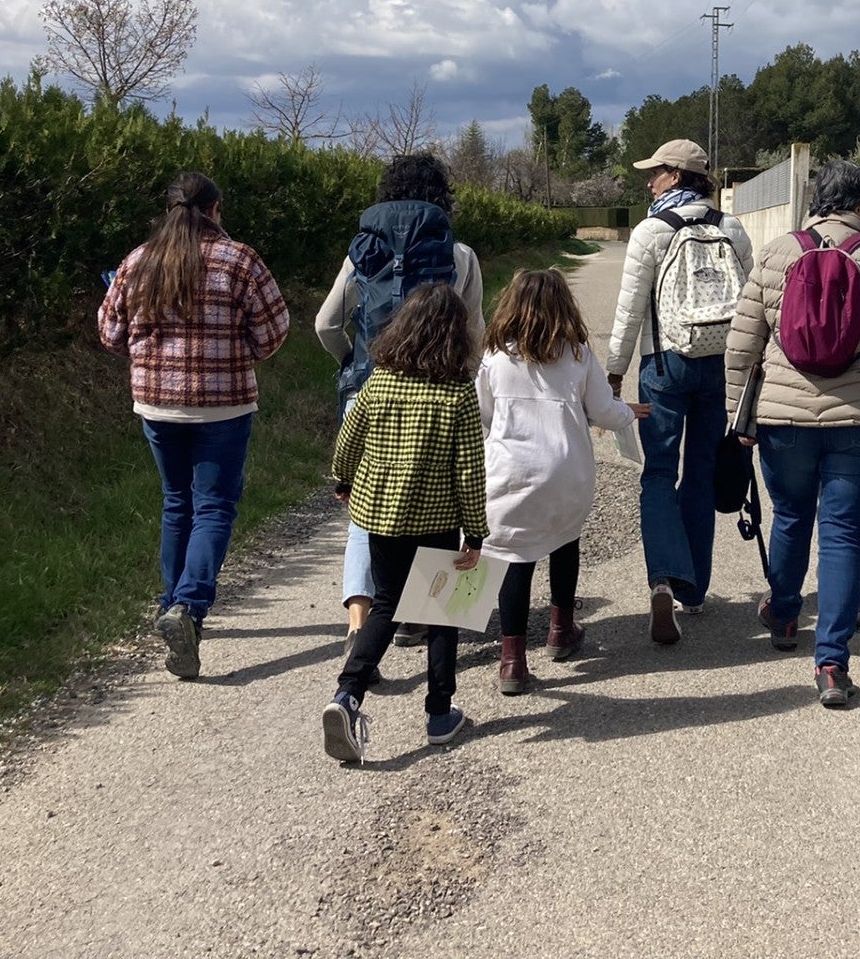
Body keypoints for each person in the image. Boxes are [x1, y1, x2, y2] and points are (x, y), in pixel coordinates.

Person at [724, 160, 860, 708]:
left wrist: (737, 416)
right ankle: (831, 662)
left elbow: (743, 344)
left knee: (790, 516)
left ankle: (784, 616)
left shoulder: (777, 254)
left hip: (784, 417)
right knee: (841, 531)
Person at [98, 171, 290, 680]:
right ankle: (189, 607)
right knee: (214, 506)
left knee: (176, 501)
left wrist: (148, 356)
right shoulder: (240, 259)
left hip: (157, 405)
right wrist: (237, 354)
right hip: (223, 405)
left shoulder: (138, 260)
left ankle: (170, 604)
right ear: (215, 209)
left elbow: (110, 331)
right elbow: (273, 330)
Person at [316, 154, 485, 667]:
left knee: (367, 516)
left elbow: (326, 324)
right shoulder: (460, 255)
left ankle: (359, 624)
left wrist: (355, 364)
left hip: (369, 393)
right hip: (438, 397)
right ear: (441, 198)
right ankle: (423, 619)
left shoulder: (361, 253)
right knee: (436, 507)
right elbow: (473, 333)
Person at [321, 283, 486, 760]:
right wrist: (475, 532)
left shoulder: (380, 380)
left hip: (382, 515)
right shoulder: (457, 394)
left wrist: (343, 479)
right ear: (456, 338)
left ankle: (347, 695)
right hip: (435, 519)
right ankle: (439, 713)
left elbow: (349, 436)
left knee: (386, 604)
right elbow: (469, 471)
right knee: (440, 615)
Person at [605, 138, 752, 645]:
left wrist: (614, 371)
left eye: (656, 172)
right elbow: (750, 297)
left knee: (659, 472)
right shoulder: (730, 227)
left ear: (675, 176)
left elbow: (628, 311)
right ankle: (695, 591)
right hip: (719, 366)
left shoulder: (650, 231)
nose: (649, 181)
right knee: (702, 472)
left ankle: (663, 580)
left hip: (664, 366)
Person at [478, 269, 648, 696]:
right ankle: (560, 630)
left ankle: (512, 660)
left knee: (513, 558)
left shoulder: (495, 358)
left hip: (511, 472)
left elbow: (483, 415)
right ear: (563, 307)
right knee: (564, 541)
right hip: (567, 470)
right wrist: (629, 413)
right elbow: (603, 410)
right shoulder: (576, 355)